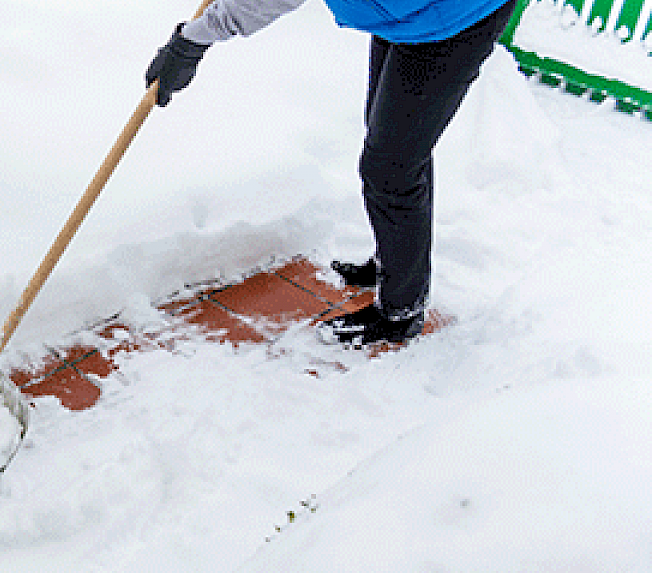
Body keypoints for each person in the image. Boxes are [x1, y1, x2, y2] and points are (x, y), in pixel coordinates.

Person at [145, 0, 517, 345]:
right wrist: (193, 41)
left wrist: (193, 41)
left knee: (391, 166)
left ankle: (401, 311)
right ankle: (396, 266)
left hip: (456, 17)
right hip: (405, 13)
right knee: (396, 146)